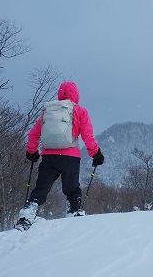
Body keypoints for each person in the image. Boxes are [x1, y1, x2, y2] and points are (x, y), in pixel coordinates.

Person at [15, 81, 104, 229]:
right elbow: (87, 136)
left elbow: (34, 134)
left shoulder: (48, 112)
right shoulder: (80, 111)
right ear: (76, 95)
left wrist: (32, 151)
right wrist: (96, 153)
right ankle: (73, 215)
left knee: (41, 189)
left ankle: (26, 216)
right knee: (72, 190)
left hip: (49, 157)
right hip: (70, 157)